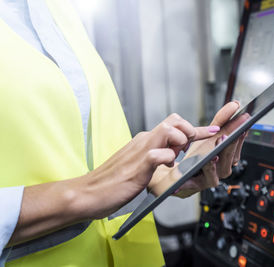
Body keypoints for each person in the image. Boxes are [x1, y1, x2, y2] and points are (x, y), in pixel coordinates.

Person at [0, 0, 245, 266]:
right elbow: (96, 188)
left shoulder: (56, 9)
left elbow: (83, 152)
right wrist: (86, 194)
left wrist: (158, 176)